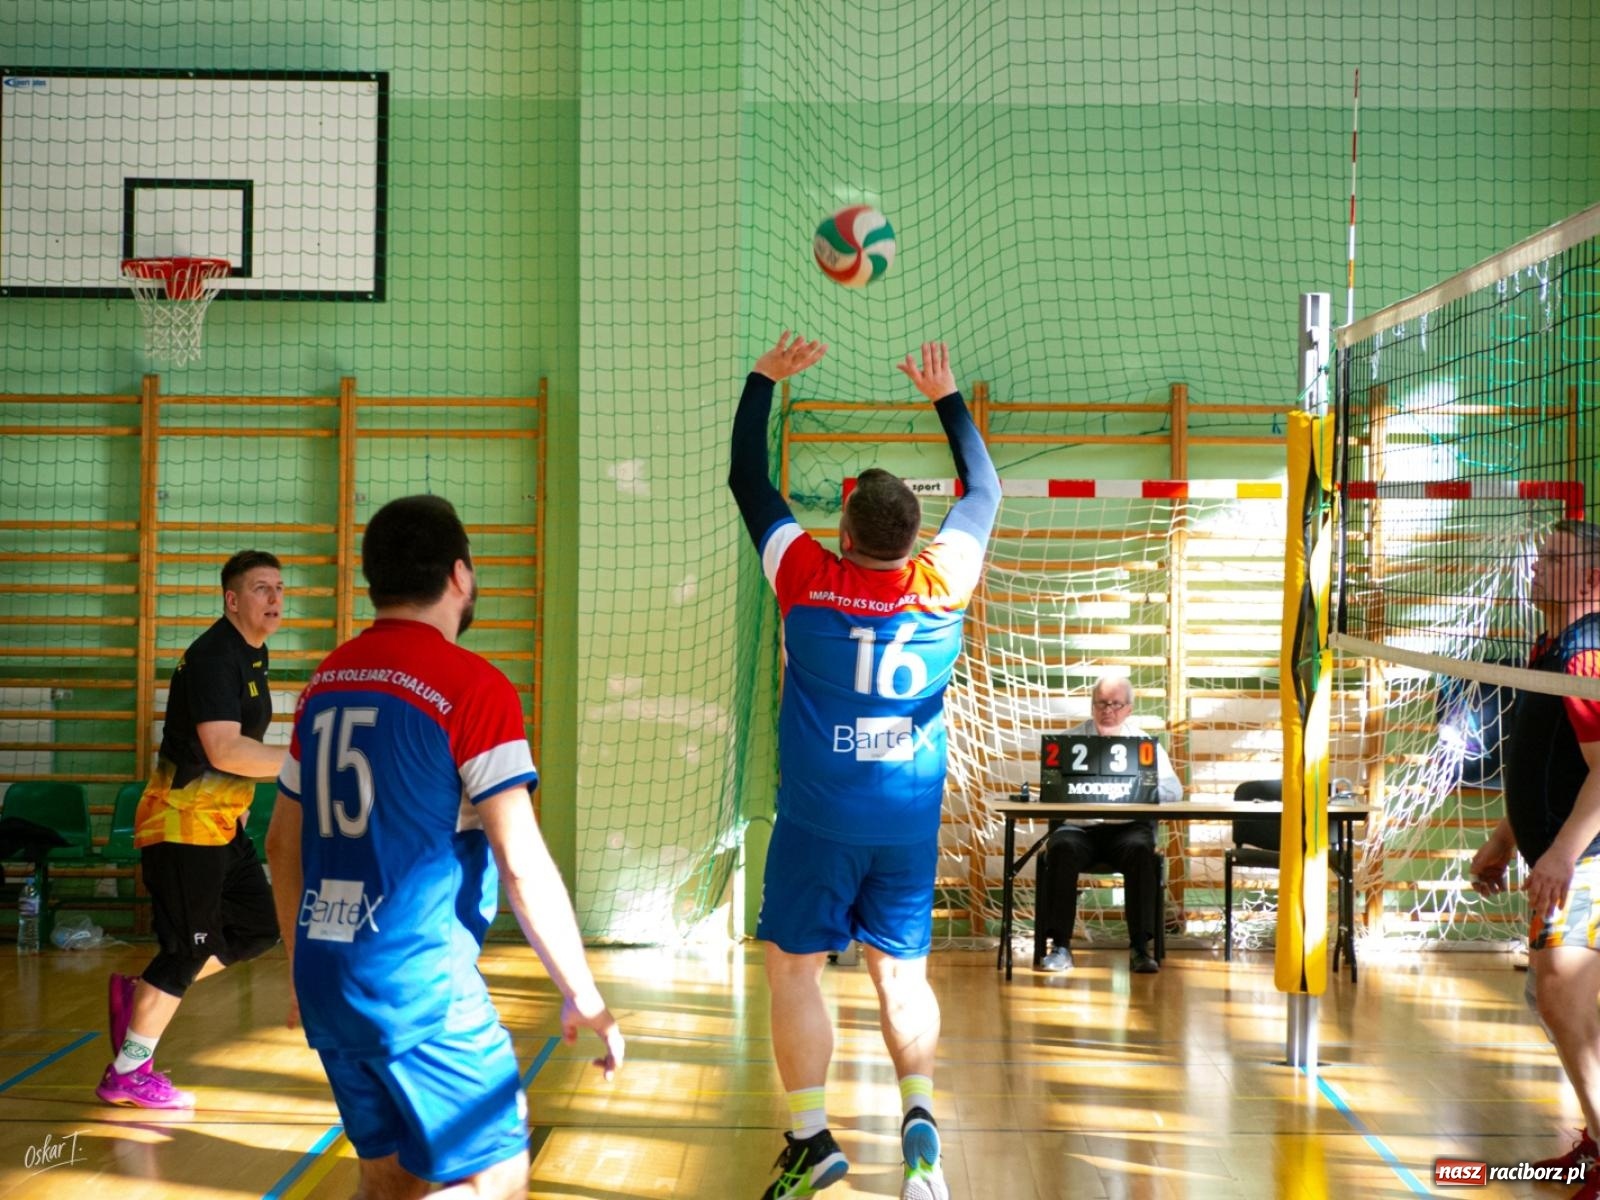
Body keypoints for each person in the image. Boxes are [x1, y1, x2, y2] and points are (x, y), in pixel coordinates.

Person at [266, 494, 624, 1200]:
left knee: (389, 1175)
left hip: (328, 976)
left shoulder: (325, 684)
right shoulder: (474, 687)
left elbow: (282, 846)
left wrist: (302, 967)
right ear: (460, 576)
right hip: (420, 985)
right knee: (494, 1172)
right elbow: (520, 863)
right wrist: (582, 993)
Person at [728, 335, 1000, 1200]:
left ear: (841, 532)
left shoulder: (805, 576)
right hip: (906, 822)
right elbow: (985, 488)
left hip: (816, 816)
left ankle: (811, 1139)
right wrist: (947, 396)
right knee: (901, 974)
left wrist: (764, 379)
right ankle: (920, 1127)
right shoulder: (944, 583)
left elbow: (748, 479)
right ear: (917, 536)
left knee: (794, 969)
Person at [98, 550, 288, 1109]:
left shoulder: (253, 653)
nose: (274, 599)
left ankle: (144, 993)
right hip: (181, 823)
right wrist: (309, 757)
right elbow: (223, 747)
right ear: (232, 600)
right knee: (189, 948)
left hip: (218, 824)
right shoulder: (213, 657)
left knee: (258, 926)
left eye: (278, 588)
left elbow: (234, 753)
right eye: (261, 589)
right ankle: (126, 1074)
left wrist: (244, 801)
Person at [1471, 518, 1600, 1200]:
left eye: (1556, 558)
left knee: (1559, 998)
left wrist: (1558, 855)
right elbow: (1546, 764)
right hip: (1566, 855)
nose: (1537, 565)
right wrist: (1504, 838)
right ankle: (1594, 1144)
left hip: (1587, 859)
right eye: (1541, 554)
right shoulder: (1551, 645)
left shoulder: (1586, 654)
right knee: (1557, 1002)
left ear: (1592, 579)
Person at [1036, 673, 1182, 976]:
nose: (1108, 710)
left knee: (1143, 851)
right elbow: (1049, 790)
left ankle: (1141, 948)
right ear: (1092, 706)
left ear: (1128, 709)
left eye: (1115, 704)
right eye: (1101, 703)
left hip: (1127, 830)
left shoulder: (1145, 745)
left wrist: (1139, 791)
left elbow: (1174, 790)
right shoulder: (1068, 742)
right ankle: (1060, 946)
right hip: (1080, 830)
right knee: (1061, 847)